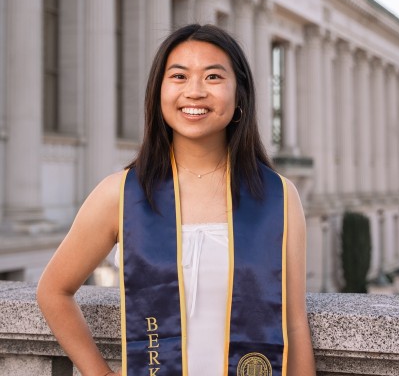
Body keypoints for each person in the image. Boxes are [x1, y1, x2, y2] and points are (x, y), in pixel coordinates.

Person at [37, 24, 316, 376]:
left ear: (239, 94)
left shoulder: (278, 197)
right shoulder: (122, 194)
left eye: (213, 77)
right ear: (159, 92)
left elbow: (293, 325)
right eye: (179, 76)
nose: (195, 91)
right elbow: (53, 291)